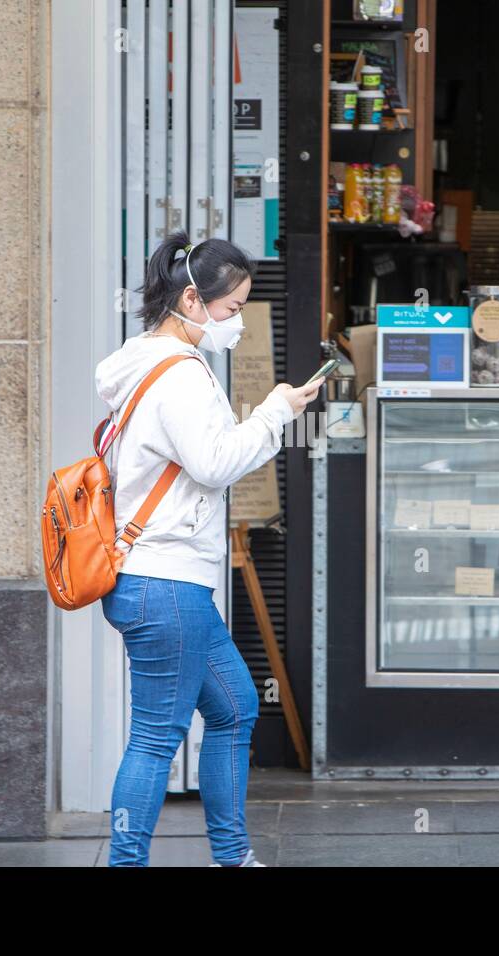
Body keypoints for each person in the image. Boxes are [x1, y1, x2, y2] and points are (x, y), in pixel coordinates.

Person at [93, 230, 321, 867]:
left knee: (235, 708)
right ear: (192, 301)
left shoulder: (143, 360)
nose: (237, 323)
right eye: (231, 310)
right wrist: (275, 412)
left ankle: (232, 855)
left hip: (161, 583)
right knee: (155, 740)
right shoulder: (181, 377)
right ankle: (126, 863)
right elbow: (215, 463)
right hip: (165, 584)